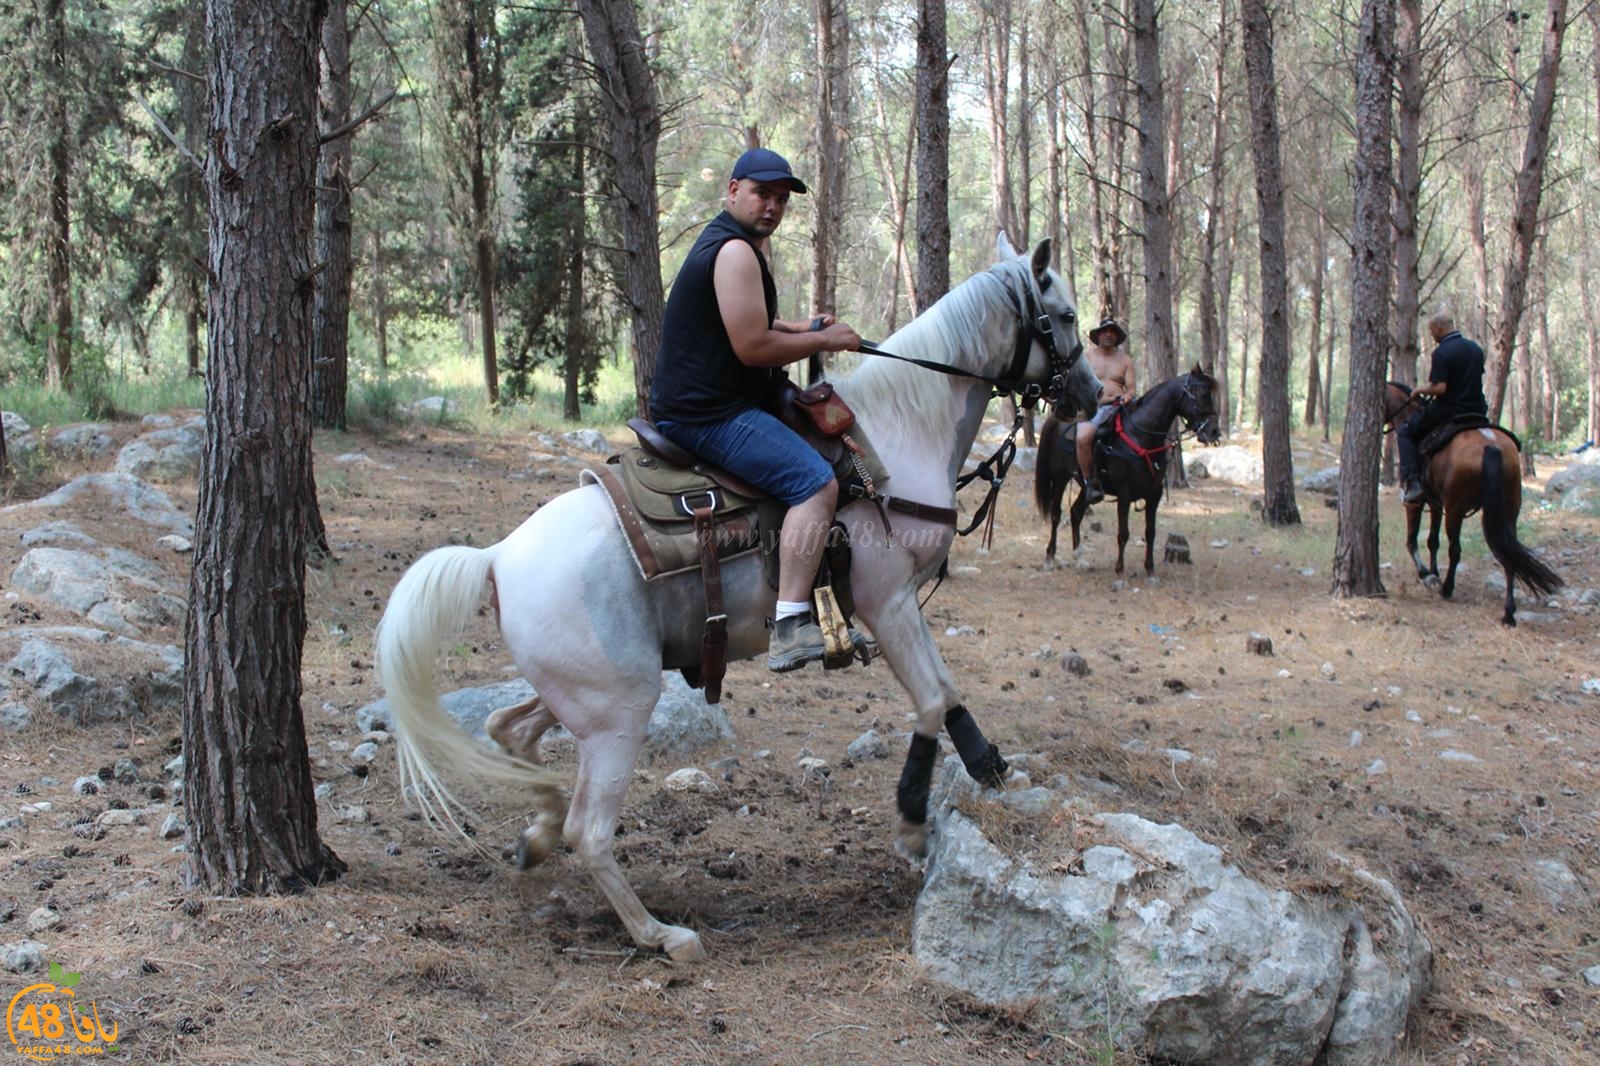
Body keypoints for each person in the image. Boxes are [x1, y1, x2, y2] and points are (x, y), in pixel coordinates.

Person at [649, 147, 862, 673]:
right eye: (762, 193)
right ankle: (790, 624)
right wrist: (825, 342)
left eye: (781, 199)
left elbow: (757, 324)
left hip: (706, 401)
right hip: (707, 413)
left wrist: (806, 328)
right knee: (816, 484)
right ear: (733, 190)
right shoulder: (737, 252)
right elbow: (751, 348)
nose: (772, 207)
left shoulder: (732, 245)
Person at [1399, 311, 1488, 504]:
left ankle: (1413, 482)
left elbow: (1440, 387)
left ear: (1438, 329)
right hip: (1477, 410)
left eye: (1432, 332)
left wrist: (1418, 390)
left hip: (1450, 411)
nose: (1433, 337)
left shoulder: (1442, 352)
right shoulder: (1475, 349)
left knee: (1405, 432)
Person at [1074, 318, 1137, 503]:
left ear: (1117, 336)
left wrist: (1127, 396)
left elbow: (1131, 388)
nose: (1108, 334)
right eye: (1105, 331)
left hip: (1119, 407)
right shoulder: (1086, 358)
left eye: (1112, 331)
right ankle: (1088, 482)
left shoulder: (1125, 360)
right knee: (1083, 438)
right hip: (1092, 407)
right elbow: (1078, 383)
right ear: (1098, 335)